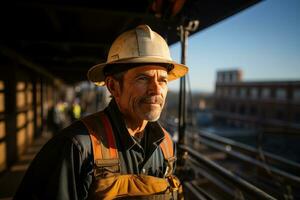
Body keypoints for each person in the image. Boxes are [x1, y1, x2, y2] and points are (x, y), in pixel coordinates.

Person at [14, 24, 188, 200]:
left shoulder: (166, 146)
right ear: (113, 86)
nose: (156, 89)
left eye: (163, 80)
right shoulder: (76, 148)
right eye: (143, 78)